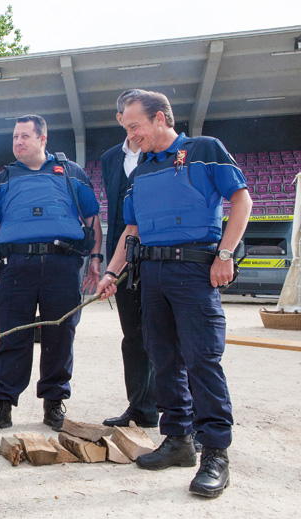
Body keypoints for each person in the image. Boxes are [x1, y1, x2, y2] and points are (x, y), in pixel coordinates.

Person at [96, 90, 251, 498]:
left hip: (195, 270)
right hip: (151, 272)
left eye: (134, 127)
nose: (130, 136)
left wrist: (226, 253)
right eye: (126, 129)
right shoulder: (141, 170)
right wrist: (111, 271)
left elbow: (241, 199)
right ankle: (179, 438)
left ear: (161, 118)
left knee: (202, 360)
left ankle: (215, 452)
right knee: (162, 358)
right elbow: (131, 229)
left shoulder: (204, 149)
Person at [0, 115, 103, 434]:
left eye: (25, 136)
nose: (17, 142)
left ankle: (54, 403)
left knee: (61, 334)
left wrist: (95, 259)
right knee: (12, 334)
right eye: (14, 137)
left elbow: (92, 217)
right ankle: (3, 406)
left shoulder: (71, 173)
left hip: (62, 265)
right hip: (16, 267)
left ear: (43, 138)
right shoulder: (2, 179)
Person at [99, 89, 158, 429]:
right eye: (123, 114)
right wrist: (111, 265)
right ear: (119, 118)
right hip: (124, 258)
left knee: (168, 335)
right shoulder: (109, 159)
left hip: (161, 255)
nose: (128, 120)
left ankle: (176, 409)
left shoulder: (168, 152)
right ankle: (141, 408)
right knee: (132, 336)